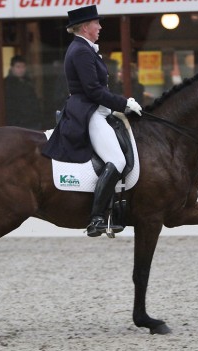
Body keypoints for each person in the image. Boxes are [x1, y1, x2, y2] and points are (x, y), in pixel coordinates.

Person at [41, 5, 143, 237]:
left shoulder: (85, 49)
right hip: (89, 112)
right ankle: (97, 218)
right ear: (85, 27)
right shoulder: (81, 51)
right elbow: (93, 91)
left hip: (99, 110)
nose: (100, 27)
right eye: (96, 23)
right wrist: (124, 104)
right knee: (116, 161)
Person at [4, 55, 42, 129]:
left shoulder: (28, 82)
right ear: (12, 68)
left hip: (32, 121)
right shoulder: (7, 84)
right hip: (17, 123)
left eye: (23, 67)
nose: (21, 69)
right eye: (18, 67)